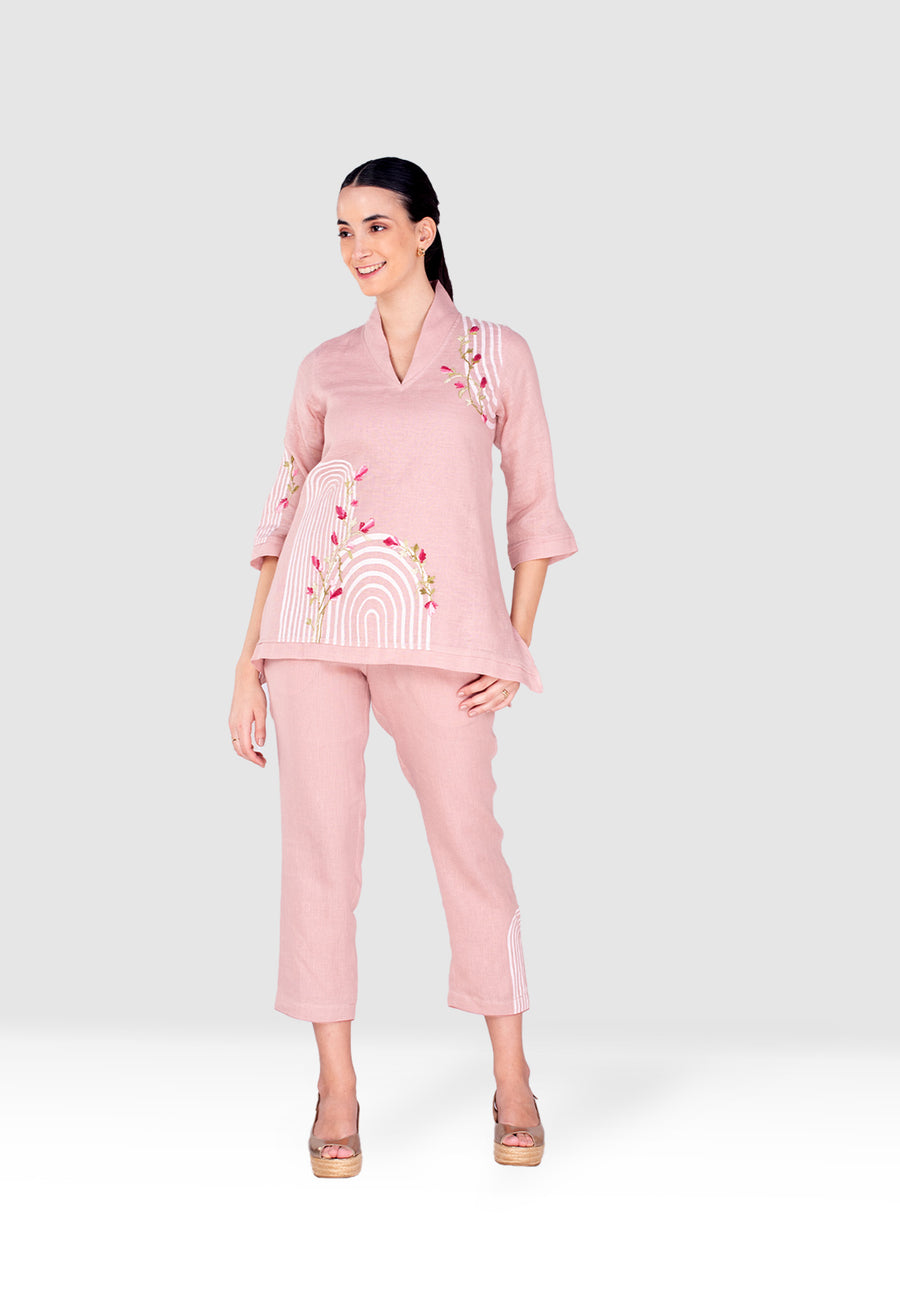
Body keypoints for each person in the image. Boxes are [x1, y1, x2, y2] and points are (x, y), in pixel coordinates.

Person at [228, 157, 577, 1177]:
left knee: (471, 848)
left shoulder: (496, 355)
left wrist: (513, 641)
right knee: (319, 853)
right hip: (310, 632)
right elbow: (281, 515)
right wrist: (246, 663)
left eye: (376, 225)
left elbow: (535, 514)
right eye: (342, 231)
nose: (358, 248)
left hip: (444, 639)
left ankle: (513, 1075)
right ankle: (336, 1086)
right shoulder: (323, 367)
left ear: (427, 230)